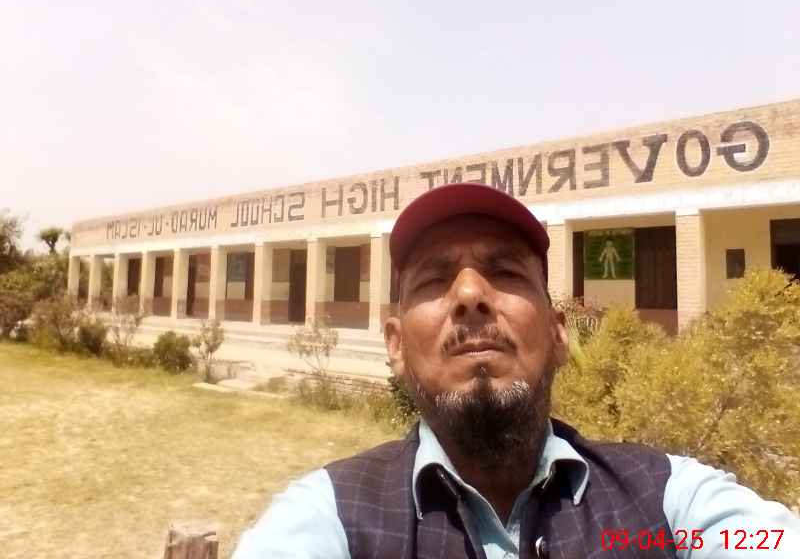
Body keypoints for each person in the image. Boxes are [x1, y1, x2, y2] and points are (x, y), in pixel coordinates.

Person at [232, 183, 799, 558]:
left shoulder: (668, 502)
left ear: (558, 333)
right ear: (396, 345)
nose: (470, 295)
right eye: (434, 279)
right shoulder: (331, 517)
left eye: (505, 272)